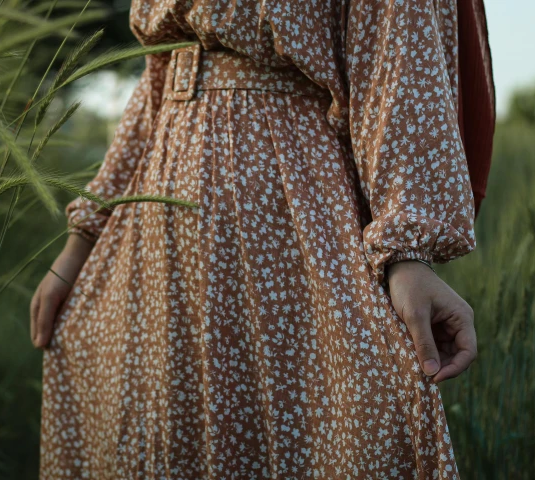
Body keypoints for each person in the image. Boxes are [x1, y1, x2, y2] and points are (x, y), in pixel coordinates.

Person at [31, 0, 495, 477]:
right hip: (153, 236)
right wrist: (83, 239)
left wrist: (408, 254)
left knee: (330, 427)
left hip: (287, 220)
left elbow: (399, 57)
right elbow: (157, 83)